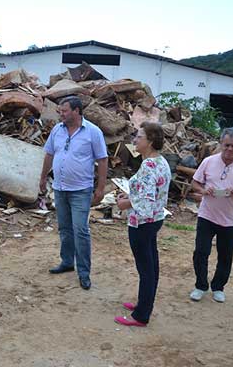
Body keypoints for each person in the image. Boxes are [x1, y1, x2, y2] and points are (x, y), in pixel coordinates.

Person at [39, 96, 108, 290]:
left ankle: (84, 272)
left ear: (77, 111)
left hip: (80, 190)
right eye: (60, 111)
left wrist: (100, 188)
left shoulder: (93, 132)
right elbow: (49, 154)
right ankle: (67, 262)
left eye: (64, 111)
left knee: (80, 230)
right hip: (60, 188)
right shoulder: (57, 130)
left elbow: (102, 160)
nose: (60, 114)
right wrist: (43, 177)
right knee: (65, 229)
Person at [189, 127, 233, 303]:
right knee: (200, 252)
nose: (229, 149)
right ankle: (200, 285)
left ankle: (218, 287)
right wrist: (204, 190)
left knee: (225, 255)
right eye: (226, 145)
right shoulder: (208, 161)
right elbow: (195, 183)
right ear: (221, 144)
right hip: (207, 215)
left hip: (230, 220)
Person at [114, 122, 171, 327]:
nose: (135, 140)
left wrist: (124, 203)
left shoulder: (148, 165)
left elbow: (146, 200)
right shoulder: (160, 161)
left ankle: (141, 315)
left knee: (146, 269)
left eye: (139, 137)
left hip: (142, 222)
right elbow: (151, 192)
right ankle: (143, 304)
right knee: (151, 266)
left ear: (150, 141)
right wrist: (131, 194)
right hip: (154, 219)